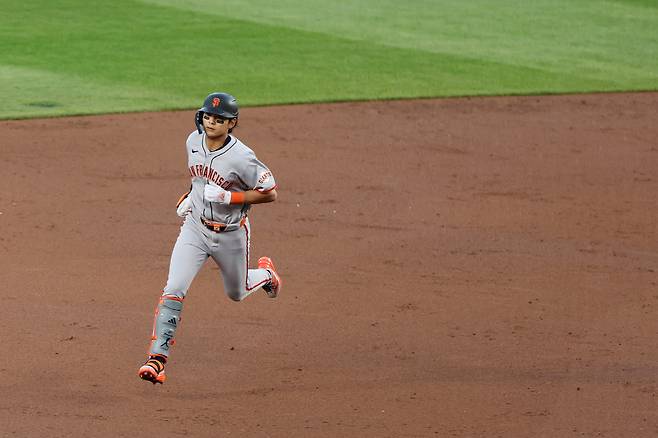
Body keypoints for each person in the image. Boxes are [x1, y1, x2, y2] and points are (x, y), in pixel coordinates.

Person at [138, 92, 281, 385]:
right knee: (174, 287)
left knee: (237, 293)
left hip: (230, 235)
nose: (211, 123)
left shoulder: (242, 157)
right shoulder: (192, 141)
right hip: (195, 229)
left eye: (219, 119)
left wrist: (232, 196)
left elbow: (271, 192)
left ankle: (266, 275)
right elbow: (199, 179)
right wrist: (190, 197)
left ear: (232, 123)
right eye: (207, 117)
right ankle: (157, 359)